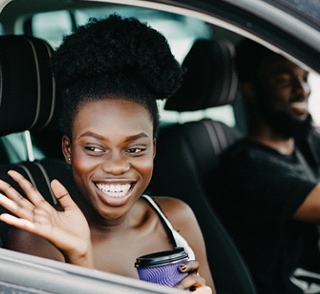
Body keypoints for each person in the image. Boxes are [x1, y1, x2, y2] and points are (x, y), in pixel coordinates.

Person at [0, 15, 214, 293]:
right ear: (68, 149)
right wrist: (80, 258)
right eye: (94, 148)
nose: (116, 166)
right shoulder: (38, 239)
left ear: (154, 149)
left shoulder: (176, 219)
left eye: (135, 149)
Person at [208, 38, 320, 294]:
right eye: (283, 81)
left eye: (303, 77)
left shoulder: (304, 140)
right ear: (250, 89)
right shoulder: (246, 169)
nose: (301, 90)